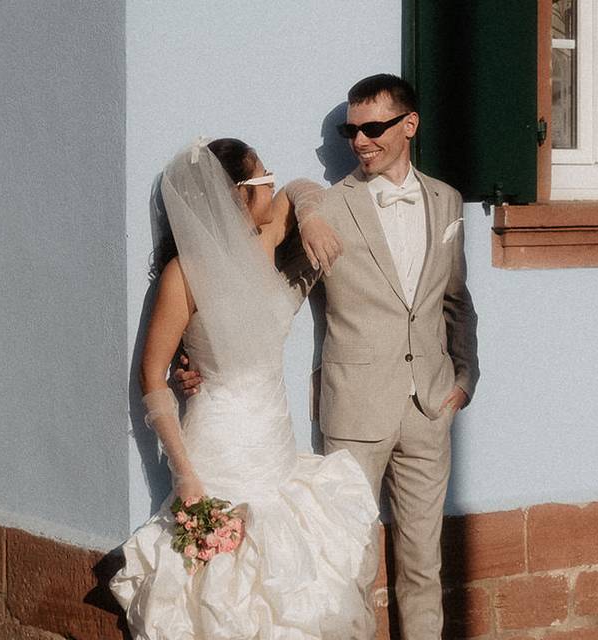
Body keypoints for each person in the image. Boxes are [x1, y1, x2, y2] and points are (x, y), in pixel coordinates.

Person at [180, 74, 480, 639]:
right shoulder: (332, 205)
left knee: (423, 565)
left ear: (409, 125)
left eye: (373, 128)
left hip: (431, 409)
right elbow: (267, 294)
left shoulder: (447, 200)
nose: (360, 141)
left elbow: (456, 301)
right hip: (355, 414)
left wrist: (464, 378)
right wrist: (201, 352)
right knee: (349, 566)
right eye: (350, 130)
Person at [110, 138, 380, 640]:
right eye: (262, 180)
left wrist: (314, 216)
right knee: (227, 596)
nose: (272, 185)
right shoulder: (183, 274)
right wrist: (184, 473)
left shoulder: (264, 239)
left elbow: (303, 188)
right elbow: (152, 374)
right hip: (219, 446)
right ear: (237, 192)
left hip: (275, 439)